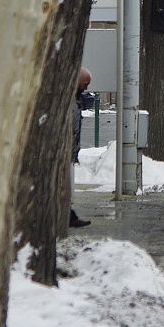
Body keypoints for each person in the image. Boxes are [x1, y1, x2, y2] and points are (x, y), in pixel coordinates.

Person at [70, 67, 93, 228]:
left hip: (70, 152)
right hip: (65, 152)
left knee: (66, 189)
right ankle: (70, 217)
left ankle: (70, 217)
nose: (86, 88)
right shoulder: (70, 99)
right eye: (85, 84)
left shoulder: (77, 99)